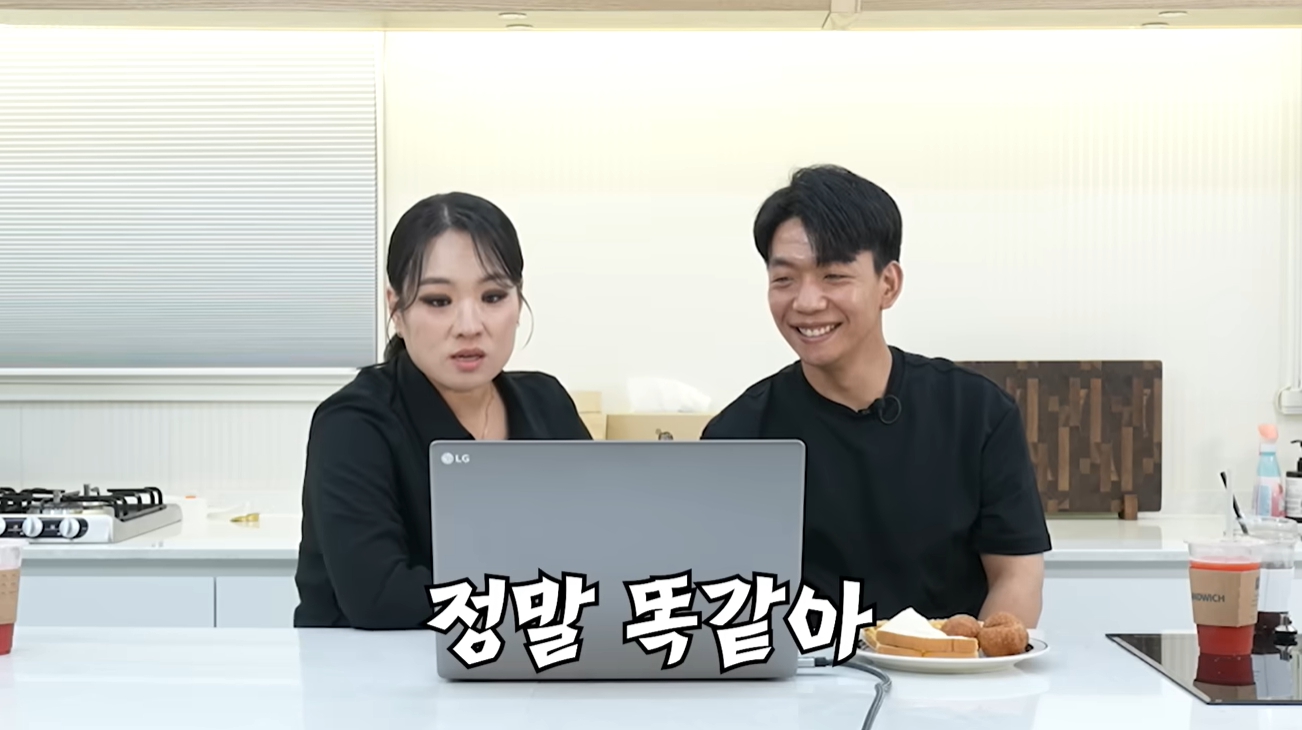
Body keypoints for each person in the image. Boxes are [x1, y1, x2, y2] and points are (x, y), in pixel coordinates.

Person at [701, 165, 1051, 627]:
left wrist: (971, 660)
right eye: (784, 279)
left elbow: (1016, 576)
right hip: (803, 672)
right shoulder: (737, 436)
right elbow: (726, 597)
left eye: (833, 276)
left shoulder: (977, 414)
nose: (806, 302)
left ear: (888, 285)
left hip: (949, 667)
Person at [293, 192, 592, 630]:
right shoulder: (353, 424)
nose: (470, 326)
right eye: (438, 301)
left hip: (519, 659)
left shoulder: (547, 403)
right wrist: (539, 592)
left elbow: (598, 551)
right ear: (396, 308)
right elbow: (380, 598)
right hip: (371, 670)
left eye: (493, 296)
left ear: (518, 301)